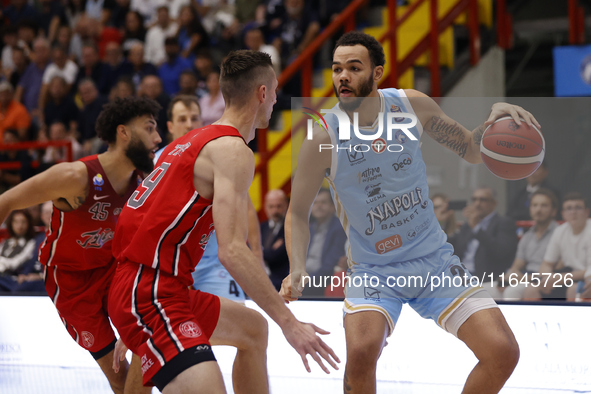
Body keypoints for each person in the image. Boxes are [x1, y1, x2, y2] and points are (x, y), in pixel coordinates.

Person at [280, 31, 538, 394]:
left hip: (434, 261)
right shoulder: (322, 136)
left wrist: (492, 122)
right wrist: (297, 267)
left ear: (378, 73)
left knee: (503, 352)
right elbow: (296, 213)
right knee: (362, 351)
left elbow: (471, 150)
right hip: (374, 271)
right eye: (337, 69)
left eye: (354, 68)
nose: (343, 77)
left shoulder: (410, 105)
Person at [108, 50, 339, 394]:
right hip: (151, 291)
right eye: (274, 90)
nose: (276, 99)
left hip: (154, 286)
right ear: (262, 93)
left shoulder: (191, 141)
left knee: (253, 329)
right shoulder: (232, 150)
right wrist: (290, 323)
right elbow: (231, 250)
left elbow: (140, 220)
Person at [0, 96, 162, 394]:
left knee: (149, 338)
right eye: (149, 128)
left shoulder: (144, 179)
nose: (158, 138)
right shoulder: (75, 176)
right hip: (71, 281)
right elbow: (6, 201)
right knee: (118, 376)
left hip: (115, 270)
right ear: (123, 132)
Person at [488, 188, 559, 300]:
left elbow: (557, 269)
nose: (538, 209)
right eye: (534, 205)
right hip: (525, 278)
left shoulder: (560, 233)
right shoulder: (527, 236)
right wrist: (506, 279)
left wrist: (523, 278)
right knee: (485, 290)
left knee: (512, 292)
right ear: (530, 209)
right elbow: (516, 266)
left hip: (547, 281)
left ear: (553, 211)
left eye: (544, 205)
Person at [523, 192, 591, 301]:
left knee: (573, 289)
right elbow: (546, 264)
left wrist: (558, 278)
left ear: (587, 212)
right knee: (531, 289)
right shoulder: (560, 231)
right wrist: (549, 278)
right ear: (563, 214)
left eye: (578, 208)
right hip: (567, 277)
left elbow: (589, 270)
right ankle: (537, 318)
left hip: (586, 279)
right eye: (569, 208)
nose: (573, 212)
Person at [448, 187, 518, 282]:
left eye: (483, 200)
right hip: (460, 274)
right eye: (474, 199)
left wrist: (477, 228)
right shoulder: (467, 225)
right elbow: (453, 248)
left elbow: (500, 252)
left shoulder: (504, 223)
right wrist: (444, 220)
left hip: (485, 277)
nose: (477, 204)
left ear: (494, 204)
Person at [303, 188, 347, 296]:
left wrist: (306, 280)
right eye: (315, 203)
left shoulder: (339, 228)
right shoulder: (310, 228)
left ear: (333, 206)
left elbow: (330, 265)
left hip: (323, 279)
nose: (318, 206)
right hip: (306, 277)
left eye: (323, 202)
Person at [0, 210, 37, 293]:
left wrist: (2, 264)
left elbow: (16, 262)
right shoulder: (6, 242)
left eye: (23, 222)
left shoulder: (31, 243)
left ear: (29, 224)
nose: (19, 226)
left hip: (13, 279)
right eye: (16, 222)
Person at [260, 189, 290, 291]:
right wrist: (270, 251)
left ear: (286, 205)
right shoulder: (260, 228)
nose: (275, 211)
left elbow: (276, 256)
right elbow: (250, 251)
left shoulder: (290, 228)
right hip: (259, 277)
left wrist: (261, 250)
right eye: (271, 206)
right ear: (265, 207)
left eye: (279, 206)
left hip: (280, 280)